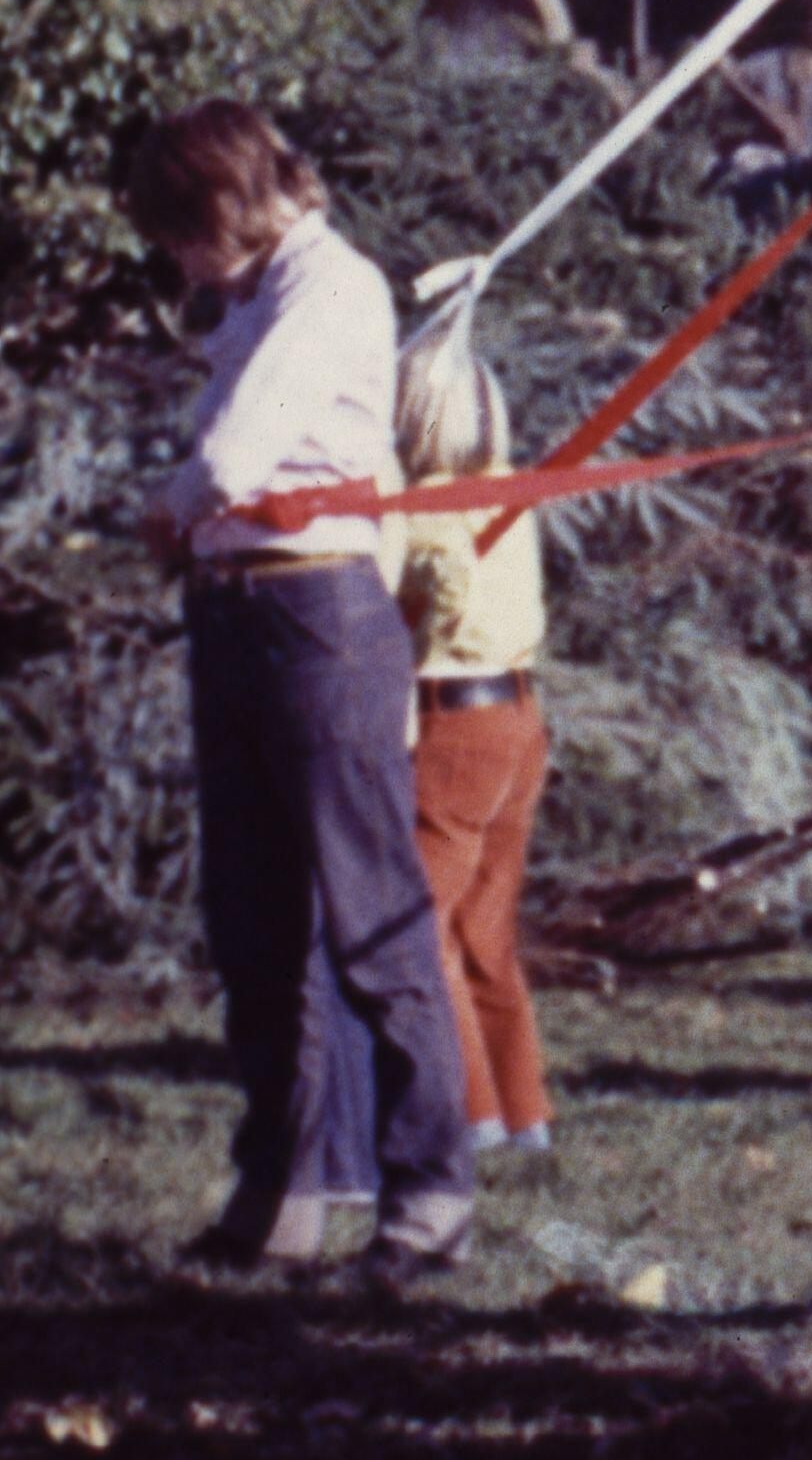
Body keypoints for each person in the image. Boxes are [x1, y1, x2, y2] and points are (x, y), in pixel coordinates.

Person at [121, 101, 475, 1281]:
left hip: (316, 617)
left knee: (371, 916)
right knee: (258, 925)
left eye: (183, 234)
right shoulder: (261, 292)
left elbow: (234, 452)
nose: (179, 263)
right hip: (238, 617)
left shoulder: (330, 287)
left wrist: (170, 509)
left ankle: (428, 1197)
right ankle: (286, 1191)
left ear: (226, 204)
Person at [391, 297, 558, 1162]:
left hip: (455, 724)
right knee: (488, 928)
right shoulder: (512, 495)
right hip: (522, 716)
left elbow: (400, 602)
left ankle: (473, 1112)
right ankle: (526, 1113)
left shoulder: (414, 507)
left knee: (423, 922)